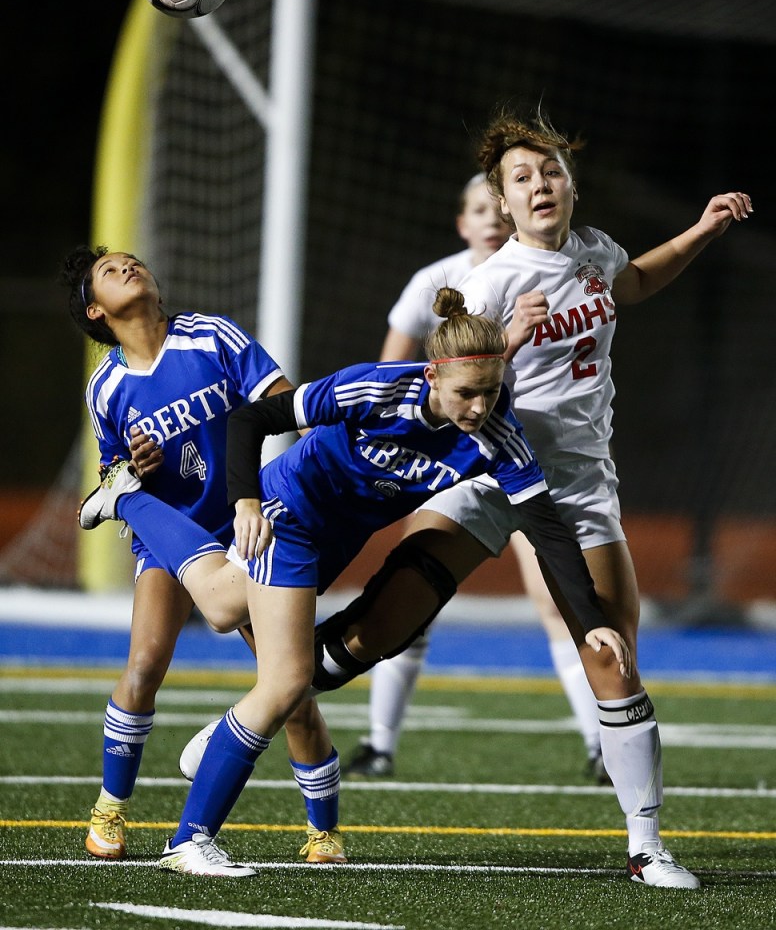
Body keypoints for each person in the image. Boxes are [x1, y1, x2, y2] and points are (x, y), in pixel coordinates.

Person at [78, 286, 630, 878]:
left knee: (219, 608)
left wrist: (594, 621)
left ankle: (128, 499)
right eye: (467, 393)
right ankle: (191, 840)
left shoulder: (498, 435)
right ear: (434, 374)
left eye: (491, 392)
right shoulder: (375, 386)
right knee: (288, 680)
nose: (477, 407)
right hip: (292, 509)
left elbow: (547, 529)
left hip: (336, 542)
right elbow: (252, 416)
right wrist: (244, 501)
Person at [393, 107, 751, 889]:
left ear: (571, 187)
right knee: (383, 621)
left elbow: (634, 282)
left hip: (582, 483)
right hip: (492, 475)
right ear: (505, 204)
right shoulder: (489, 284)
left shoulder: (593, 253)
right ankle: (266, 711)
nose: (540, 182)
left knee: (614, 655)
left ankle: (647, 847)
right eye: (522, 177)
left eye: (550, 170)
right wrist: (509, 340)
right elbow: (460, 392)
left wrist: (701, 231)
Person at [61, 246, 346, 872]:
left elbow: (283, 399)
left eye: (133, 262)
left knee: (290, 684)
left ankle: (322, 831)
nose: (128, 268)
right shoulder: (105, 387)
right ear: (95, 311)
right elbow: (114, 471)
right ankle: (110, 807)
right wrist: (132, 468)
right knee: (144, 663)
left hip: (242, 527)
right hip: (171, 533)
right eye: (111, 272)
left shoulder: (210, 336)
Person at [345, 172, 606, 784]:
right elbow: (392, 376)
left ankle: (600, 745)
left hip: (528, 458)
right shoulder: (438, 283)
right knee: (409, 594)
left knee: (558, 599)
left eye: (498, 206)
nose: (490, 217)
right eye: (476, 208)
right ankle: (378, 743)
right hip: (456, 461)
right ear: (462, 222)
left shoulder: (564, 269)